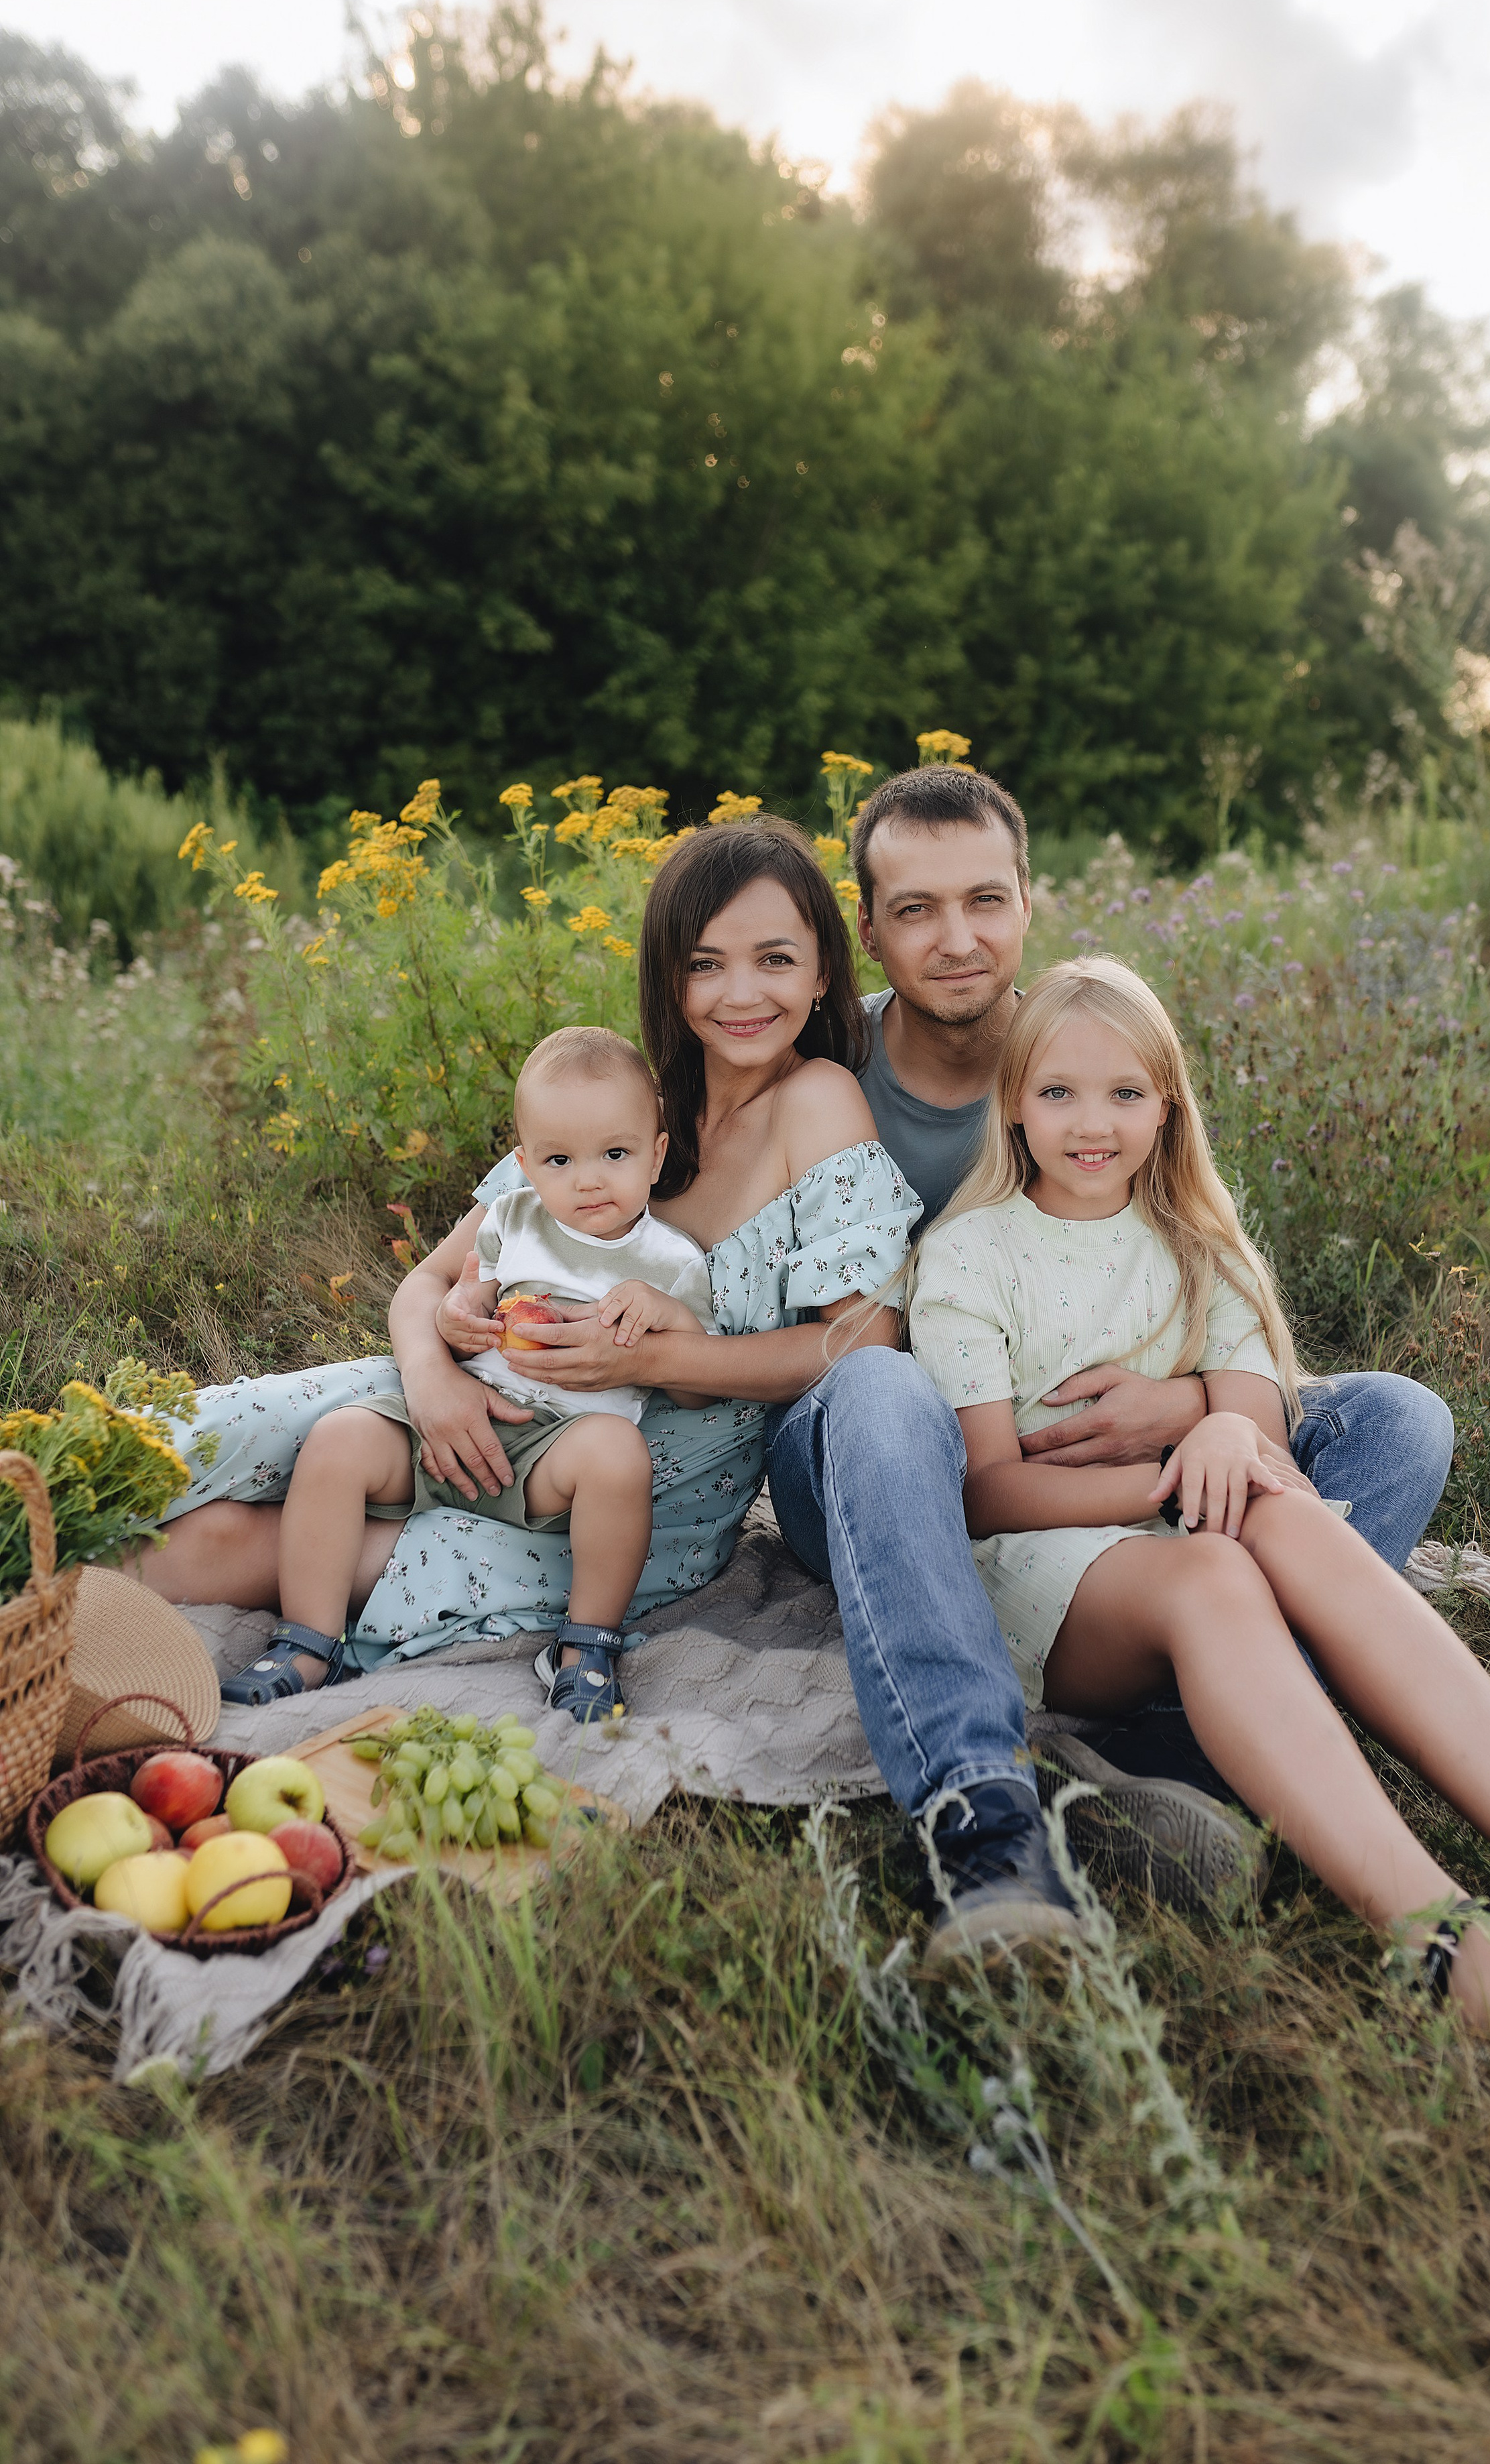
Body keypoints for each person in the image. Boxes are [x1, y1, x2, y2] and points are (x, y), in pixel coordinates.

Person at [146, 817, 1082, 1956]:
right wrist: (435, 1365)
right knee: (203, 1445)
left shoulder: (817, 1101)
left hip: (625, 1489)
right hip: (466, 1402)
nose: (742, 992)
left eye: (776, 958)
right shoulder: (621, 1093)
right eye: (705, 962)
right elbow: (429, 1282)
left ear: (826, 967)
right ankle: (38, 1550)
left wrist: (656, 1358)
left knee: (244, 1548)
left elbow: (862, 1338)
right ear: (667, 971)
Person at [908, 954, 1490, 2084]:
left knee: (1275, 1512)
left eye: (1127, 1093)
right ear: (1014, 1104)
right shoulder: (971, 1251)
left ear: (1169, 1104)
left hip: (1197, 1531)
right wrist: (1177, 1479)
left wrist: (1226, 1435)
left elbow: (1254, 1420)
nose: (1093, 1123)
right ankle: (1447, 1944)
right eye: (1060, 1093)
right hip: (1053, 1576)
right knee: (1223, 1563)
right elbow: (987, 1486)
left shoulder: (1195, 1240)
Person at [847, 760, 1455, 1886]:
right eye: (915, 908)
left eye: (985, 898)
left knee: (1396, 1418)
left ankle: (1182, 1747)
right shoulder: (828, 1064)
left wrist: (1201, 1416)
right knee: (879, 1402)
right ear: (871, 928)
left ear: (1029, 898)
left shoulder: (1084, 1043)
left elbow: (1184, 1263)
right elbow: (599, 1154)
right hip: (912, 1446)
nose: (957, 936)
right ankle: (1228, 1716)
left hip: (1135, 1417)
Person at [216, 1026, 714, 1714]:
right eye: (560, 1158)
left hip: (553, 1451)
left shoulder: (670, 1260)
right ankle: (307, 1641)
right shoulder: (513, 1219)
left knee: (620, 1457)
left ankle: (587, 1644)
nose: (589, 1177)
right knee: (338, 1439)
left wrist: (665, 1318)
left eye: (616, 1153)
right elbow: (469, 1291)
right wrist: (458, 1316)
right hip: (464, 1408)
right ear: (525, 1165)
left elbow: (693, 1383)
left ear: (656, 1155)